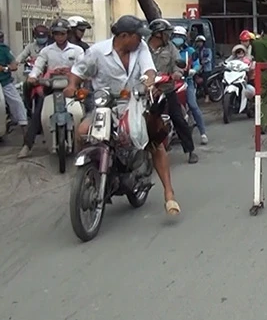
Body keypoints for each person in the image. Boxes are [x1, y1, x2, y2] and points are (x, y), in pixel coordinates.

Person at [67, 15, 181, 215]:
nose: (141, 40)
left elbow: (149, 71)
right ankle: (86, 175)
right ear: (124, 36)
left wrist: (149, 82)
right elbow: (78, 71)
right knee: (82, 131)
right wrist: (71, 85)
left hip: (134, 103)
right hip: (105, 105)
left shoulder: (141, 48)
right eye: (138, 36)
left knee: (154, 141)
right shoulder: (97, 52)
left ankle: (169, 194)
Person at [18, 18, 85, 158]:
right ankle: (27, 145)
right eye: (56, 34)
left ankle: (87, 143)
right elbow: (38, 65)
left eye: (62, 33)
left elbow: (83, 66)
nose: (59, 37)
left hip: (72, 86)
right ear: (52, 35)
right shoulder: (47, 50)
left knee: (88, 108)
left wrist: (74, 73)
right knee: (38, 113)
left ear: (67, 33)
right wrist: (33, 76)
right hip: (51, 87)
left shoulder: (77, 50)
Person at [146, 19, 199, 164]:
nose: (169, 36)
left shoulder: (170, 48)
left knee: (178, 119)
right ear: (158, 34)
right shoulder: (143, 48)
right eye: (166, 33)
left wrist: (177, 73)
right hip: (146, 92)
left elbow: (178, 63)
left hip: (167, 89)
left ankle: (190, 150)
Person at [0, 20, 28, 131]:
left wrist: (7, 67)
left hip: (3, 82)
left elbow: (13, 63)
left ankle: (25, 131)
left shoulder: (3, 49)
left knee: (17, 102)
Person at [171, 26, 208, 145]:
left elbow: (197, 64)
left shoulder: (190, 51)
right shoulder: (168, 51)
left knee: (193, 105)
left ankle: (203, 133)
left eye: (180, 37)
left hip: (187, 81)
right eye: (175, 36)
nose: (177, 39)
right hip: (170, 83)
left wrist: (194, 70)